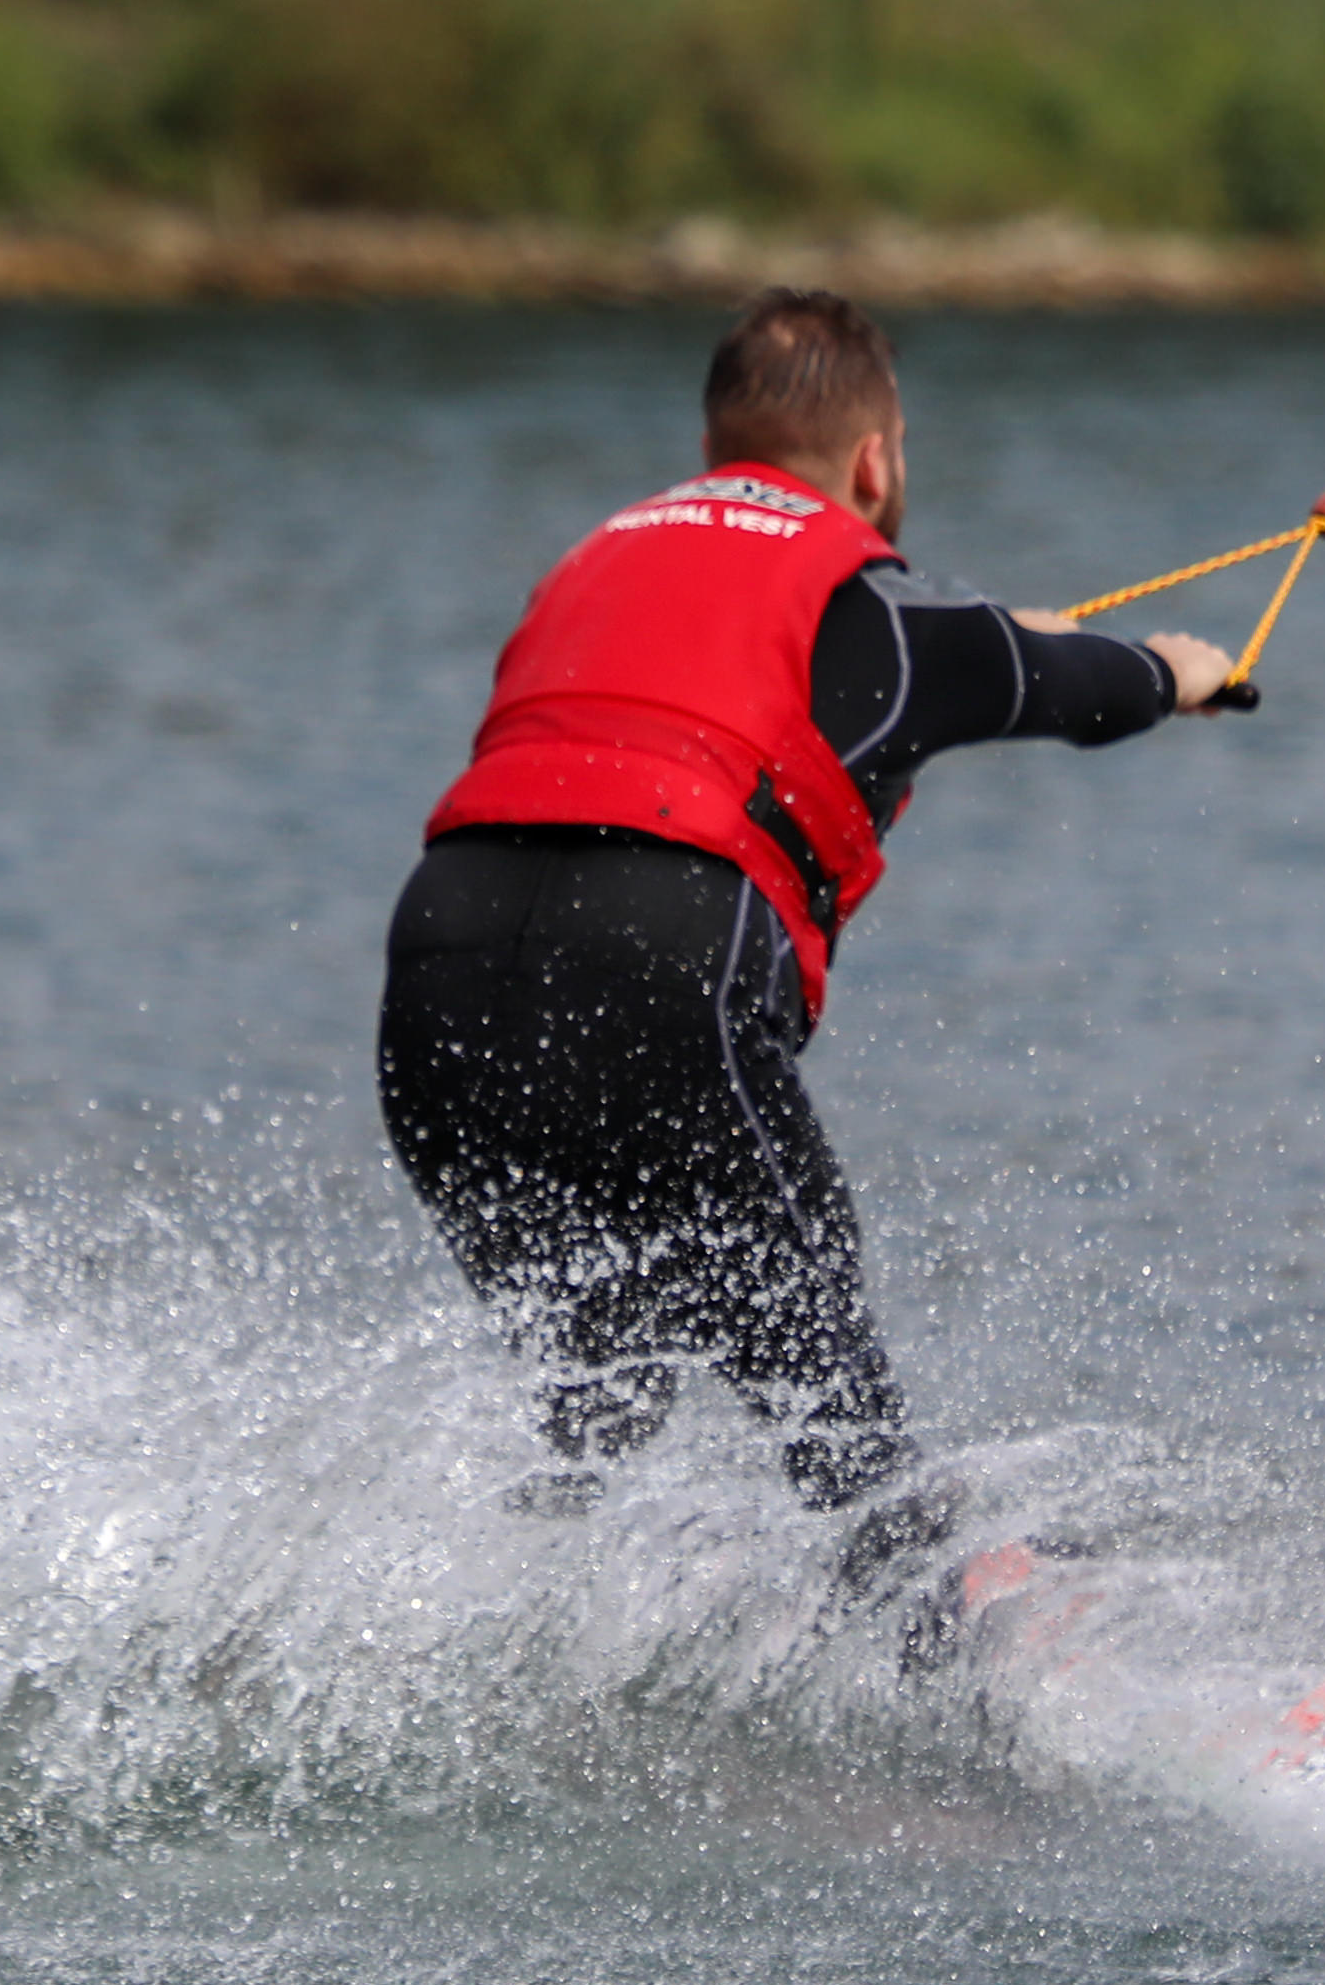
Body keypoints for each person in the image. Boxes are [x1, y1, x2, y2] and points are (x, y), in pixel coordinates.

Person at [378, 289, 1236, 1515]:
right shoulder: (881, 605)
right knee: (830, 1404)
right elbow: (1071, 684)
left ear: (714, 447)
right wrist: (1173, 670)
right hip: (664, 956)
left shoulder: (595, 556)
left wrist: (994, 637)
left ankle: (503, 1616)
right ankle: (921, 1623)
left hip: (439, 972)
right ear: (875, 460)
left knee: (595, 1391)